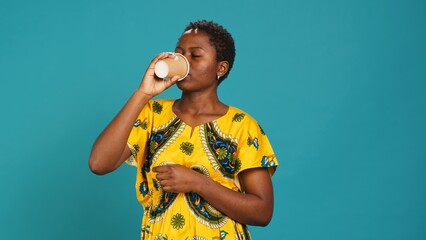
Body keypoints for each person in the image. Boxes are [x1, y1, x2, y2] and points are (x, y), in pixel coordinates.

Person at [89, 20, 278, 240]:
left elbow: (262, 212)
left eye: (195, 55)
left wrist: (199, 183)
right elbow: (99, 164)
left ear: (221, 67)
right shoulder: (152, 114)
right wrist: (143, 94)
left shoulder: (242, 126)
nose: (184, 61)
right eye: (179, 54)